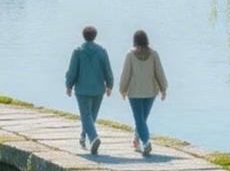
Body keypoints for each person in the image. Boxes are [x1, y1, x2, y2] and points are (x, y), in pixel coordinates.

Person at [65, 24, 113, 155]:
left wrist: (69, 85)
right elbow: (107, 70)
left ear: (84, 36)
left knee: (86, 116)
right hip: (98, 89)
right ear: (95, 36)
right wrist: (110, 85)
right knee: (92, 116)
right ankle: (83, 137)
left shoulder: (78, 51)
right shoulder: (102, 51)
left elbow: (72, 71)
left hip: (82, 90)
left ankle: (93, 138)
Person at [119, 29, 167, 156]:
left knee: (139, 119)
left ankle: (146, 142)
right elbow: (159, 72)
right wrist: (163, 88)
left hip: (134, 93)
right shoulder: (154, 54)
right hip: (150, 92)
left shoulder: (130, 55)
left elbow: (126, 74)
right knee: (142, 119)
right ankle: (136, 140)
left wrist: (122, 89)